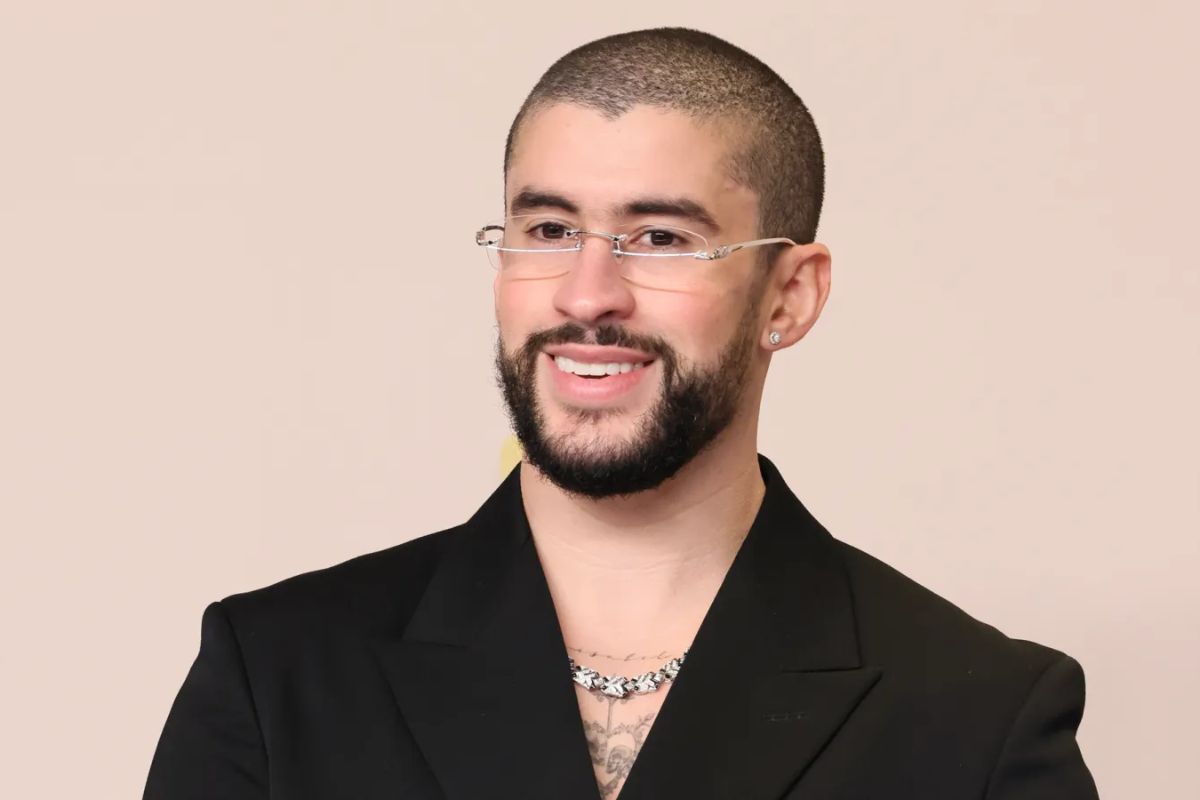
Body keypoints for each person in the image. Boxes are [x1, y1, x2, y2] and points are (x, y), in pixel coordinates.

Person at [143, 27, 1099, 800]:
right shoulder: (279, 674)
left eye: (661, 237)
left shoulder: (979, 717)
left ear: (790, 295)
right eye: (549, 229)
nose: (586, 293)